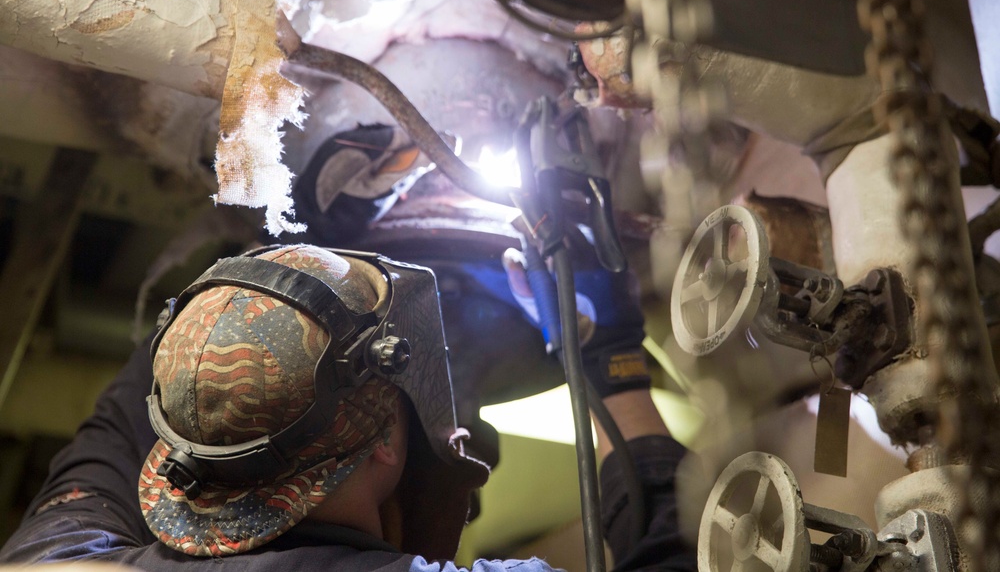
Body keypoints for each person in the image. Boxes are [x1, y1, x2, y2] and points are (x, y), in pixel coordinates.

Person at [0, 242, 696, 571]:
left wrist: (239, 314)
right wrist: (612, 358)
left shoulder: (61, 561)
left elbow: (115, 429)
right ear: (389, 440)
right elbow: (669, 555)